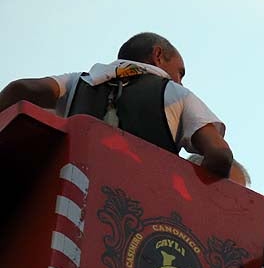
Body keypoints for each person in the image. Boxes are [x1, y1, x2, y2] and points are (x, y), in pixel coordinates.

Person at [0, 32, 234, 178]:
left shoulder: (77, 82)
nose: (180, 80)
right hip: (137, 219)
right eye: (180, 72)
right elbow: (220, 156)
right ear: (158, 55)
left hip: (70, 202)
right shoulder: (178, 94)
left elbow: (21, 90)